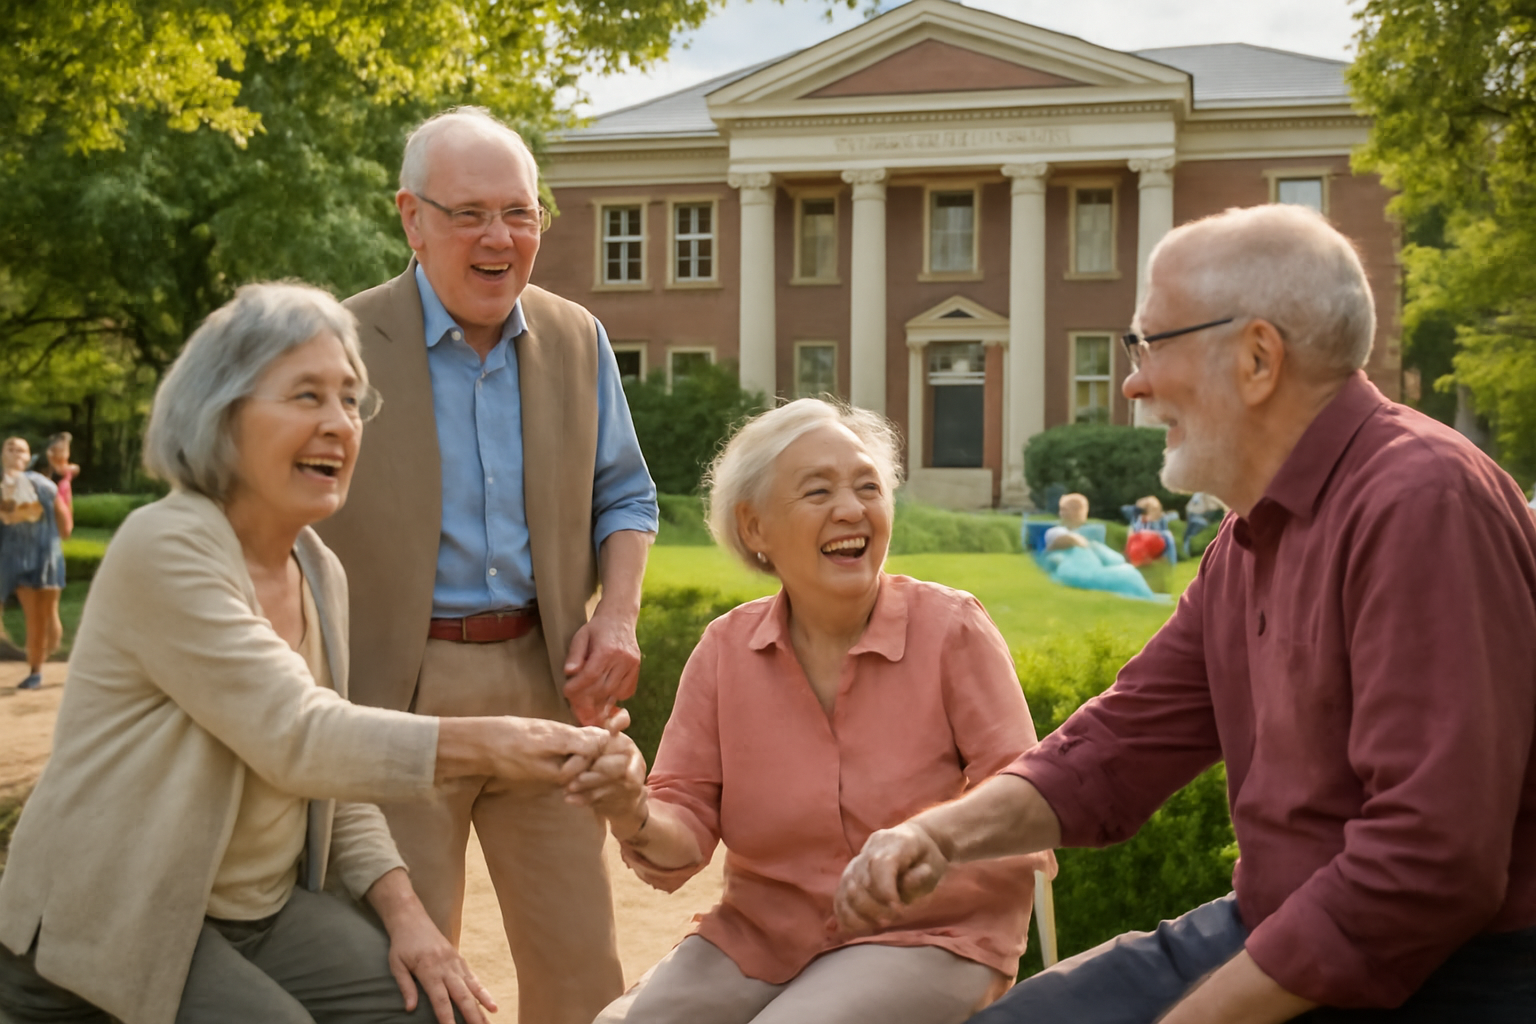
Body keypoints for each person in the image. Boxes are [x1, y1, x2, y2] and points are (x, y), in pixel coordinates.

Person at [834, 204, 1536, 1022]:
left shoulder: (1420, 503)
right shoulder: (1247, 536)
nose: (1132, 381)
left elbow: (1426, 867)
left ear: (1258, 358)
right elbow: (1120, 744)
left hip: (1454, 974)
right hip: (1276, 926)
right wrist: (936, 837)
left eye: (1148, 345)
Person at [0, 282, 617, 1024]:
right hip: (121, 912)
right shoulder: (167, 546)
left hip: (258, 915)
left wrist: (408, 916)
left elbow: (338, 779)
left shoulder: (317, 568)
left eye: (352, 401)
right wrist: (498, 742)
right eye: (306, 396)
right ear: (223, 415)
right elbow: (298, 737)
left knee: (431, 1007)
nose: (340, 425)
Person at [313, 106, 659, 1024]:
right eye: (469, 213)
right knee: (413, 981)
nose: (499, 237)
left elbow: (626, 497)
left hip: (543, 686)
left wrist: (615, 616)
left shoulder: (579, 339)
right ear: (410, 218)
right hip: (394, 694)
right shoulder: (339, 346)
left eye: (520, 211)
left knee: (583, 969)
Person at [567, 398, 1053, 1024]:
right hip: (761, 937)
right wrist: (629, 808)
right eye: (818, 491)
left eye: (868, 487)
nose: (851, 509)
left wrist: (930, 851)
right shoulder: (724, 650)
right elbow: (681, 829)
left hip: (933, 933)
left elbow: (1026, 794)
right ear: (755, 528)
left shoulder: (951, 629)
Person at [0, 436, 71, 690]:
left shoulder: (42, 485)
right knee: (36, 616)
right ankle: (36, 669)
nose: (16, 452)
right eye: (11, 448)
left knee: (46, 615)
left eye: (21, 449)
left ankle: (39, 663)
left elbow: (65, 525)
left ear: (29, 457)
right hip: (19, 559)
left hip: (44, 557)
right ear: (3, 455)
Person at [41, 431, 80, 510]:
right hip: (53, 505)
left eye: (66, 449)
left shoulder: (69, 468)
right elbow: (56, 472)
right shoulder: (49, 469)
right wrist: (50, 459)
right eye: (61, 450)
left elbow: (73, 469)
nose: (65, 453)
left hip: (65, 501)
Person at [1181, 491, 1225, 557]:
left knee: (1188, 537)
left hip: (1195, 515)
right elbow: (1214, 504)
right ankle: (1187, 552)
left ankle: (1186, 553)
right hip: (1198, 516)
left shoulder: (1200, 493)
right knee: (1189, 536)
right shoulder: (1204, 493)